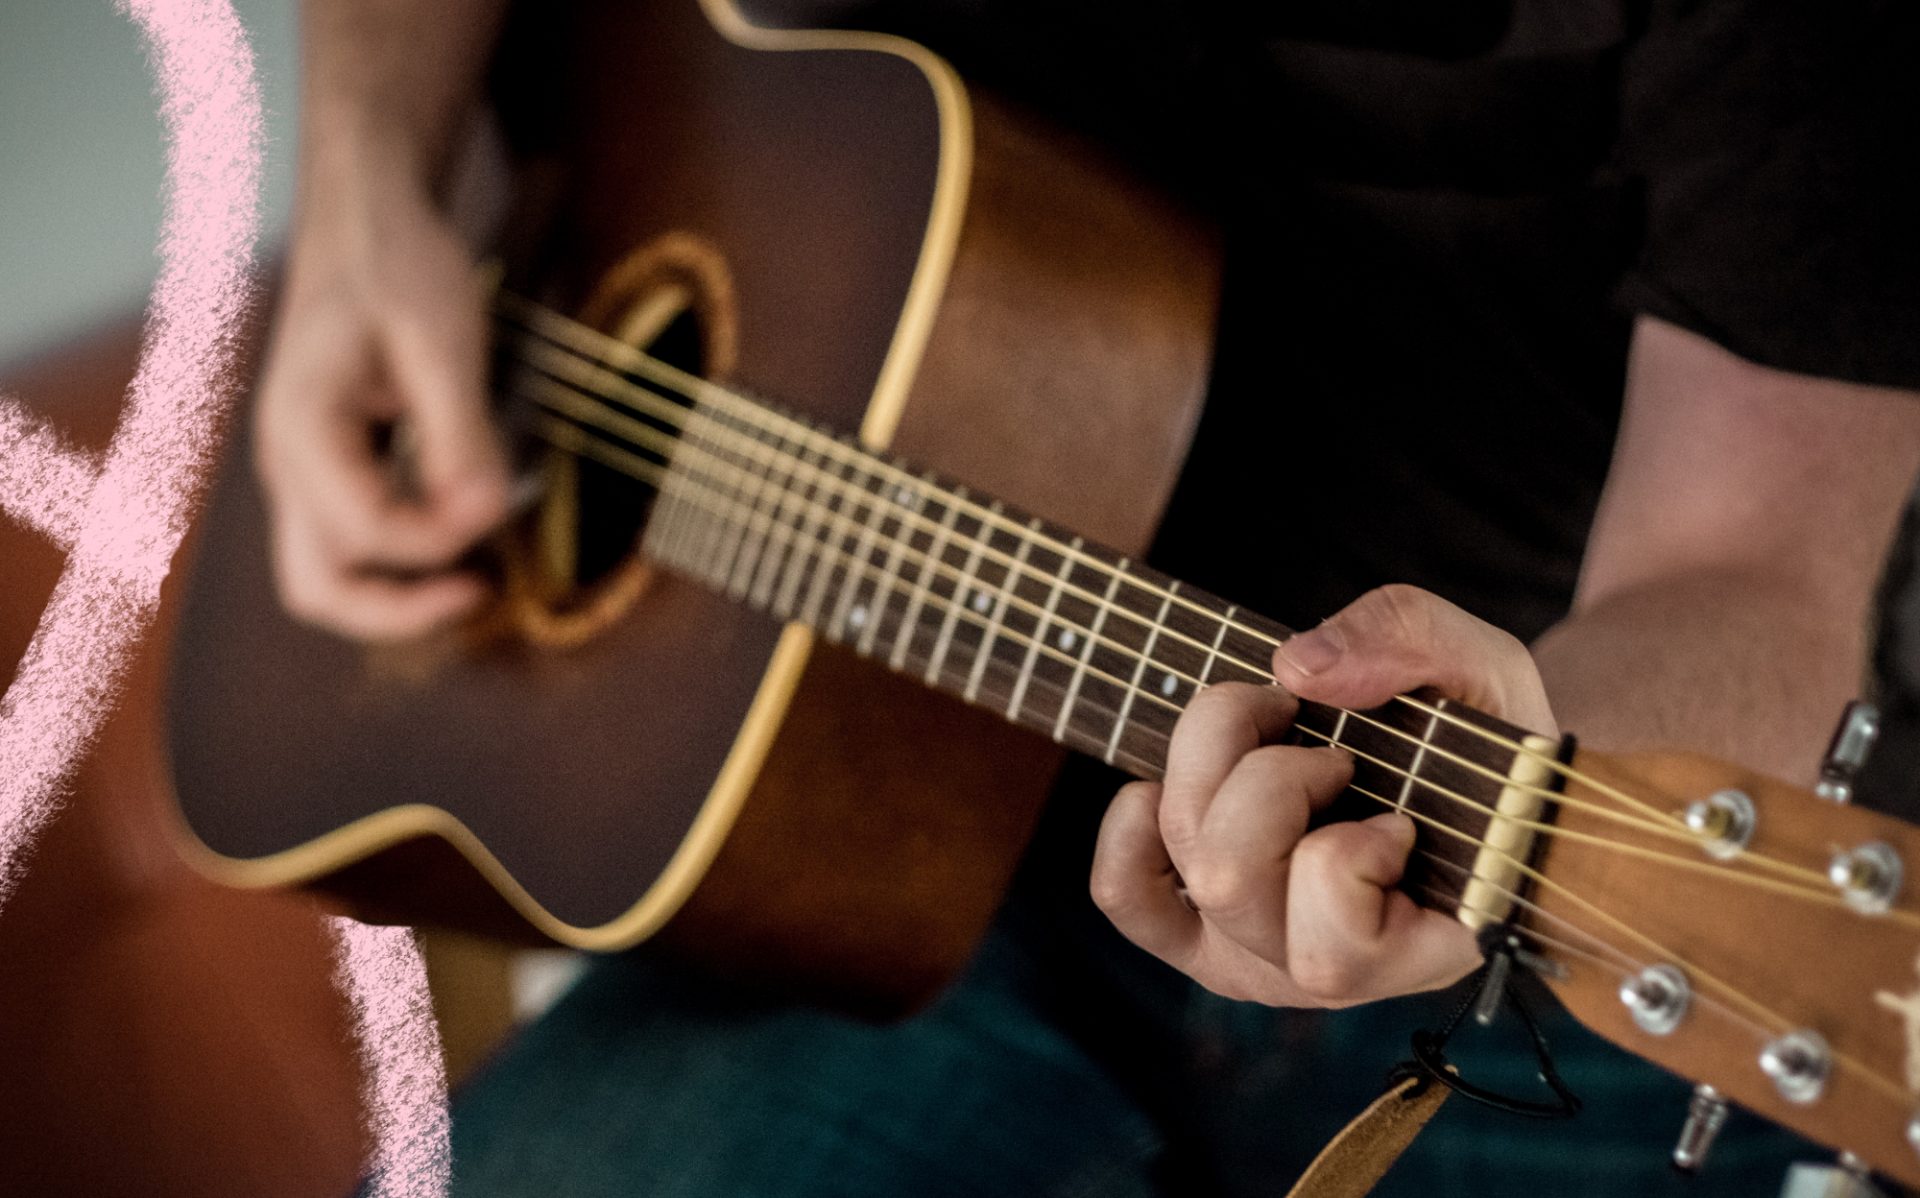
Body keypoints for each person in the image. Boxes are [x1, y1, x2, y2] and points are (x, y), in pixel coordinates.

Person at [254, 0, 1920, 1193]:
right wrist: (364, 182)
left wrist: (1534, 767)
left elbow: (1764, 565)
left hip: (1535, 964)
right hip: (896, 861)